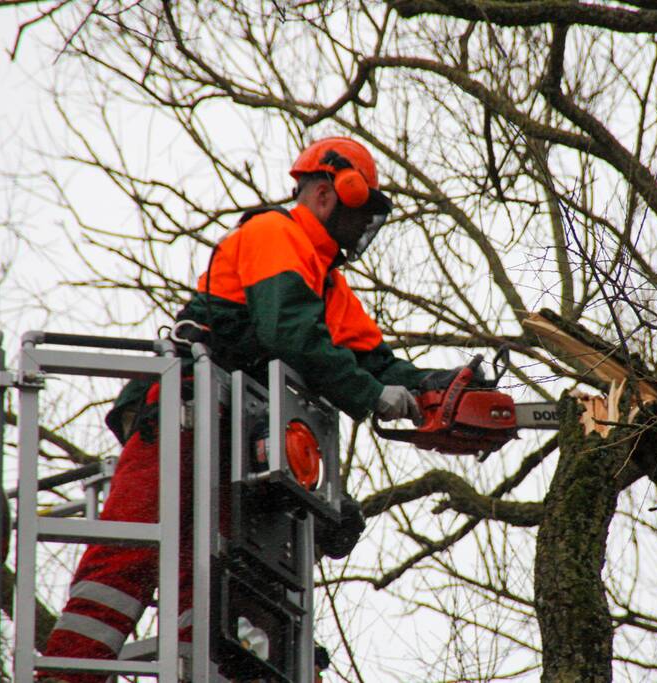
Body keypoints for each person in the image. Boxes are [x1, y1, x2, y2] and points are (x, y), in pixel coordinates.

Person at [38, 136, 449, 682]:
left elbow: (375, 363)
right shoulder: (276, 234)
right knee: (126, 556)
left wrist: (435, 388)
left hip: (237, 441)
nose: (361, 229)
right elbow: (290, 334)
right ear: (327, 196)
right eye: (360, 212)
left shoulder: (329, 282)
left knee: (222, 581)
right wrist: (371, 398)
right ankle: (67, 675)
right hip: (187, 414)